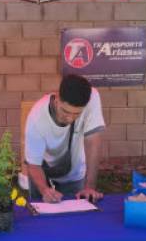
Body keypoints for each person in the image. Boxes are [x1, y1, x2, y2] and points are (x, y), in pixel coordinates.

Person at [24, 74, 106, 203]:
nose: (70, 118)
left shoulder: (92, 97)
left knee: (75, 213)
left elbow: (93, 141)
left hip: (74, 170)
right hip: (41, 168)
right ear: (57, 99)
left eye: (77, 114)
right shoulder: (36, 117)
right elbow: (33, 163)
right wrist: (45, 190)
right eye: (65, 111)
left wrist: (90, 187)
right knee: (40, 208)